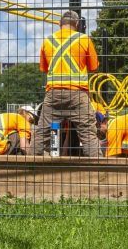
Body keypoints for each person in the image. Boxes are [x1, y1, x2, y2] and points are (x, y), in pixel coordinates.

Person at [29, 10, 101, 157]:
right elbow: (94, 67)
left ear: (59, 23)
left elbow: (43, 68)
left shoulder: (47, 41)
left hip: (53, 94)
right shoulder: (84, 39)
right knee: (88, 134)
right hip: (78, 95)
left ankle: (28, 169)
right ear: (77, 24)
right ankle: (98, 171)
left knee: (42, 133)